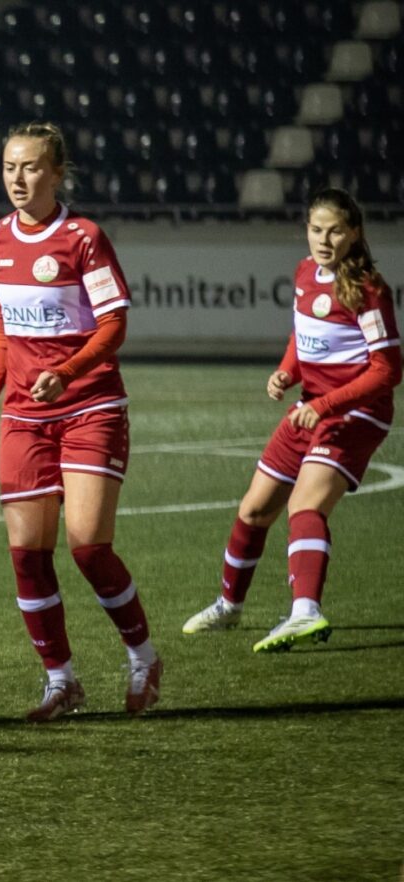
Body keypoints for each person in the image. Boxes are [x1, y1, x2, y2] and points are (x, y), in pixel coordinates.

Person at [0, 122, 161, 722]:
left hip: (91, 407)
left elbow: (114, 327)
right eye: (8, 168)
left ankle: (143, 656)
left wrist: (69, 371)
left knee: (88, 546)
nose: (17, 180)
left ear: (56, 173)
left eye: (29, 168)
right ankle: (61, 682)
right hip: (25, 415)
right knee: (27, 553)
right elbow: (7, 327)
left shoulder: (83, 238)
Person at [182, 188, 399, 651]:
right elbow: (302, 337)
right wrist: (287, 371)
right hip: (310, 408)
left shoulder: (369, 288)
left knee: (305, 505)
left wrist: (323, 405)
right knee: (254, 509)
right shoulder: (304, 272)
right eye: (317, 229)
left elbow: (387, 371)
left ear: (354, 233)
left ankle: (305, 612)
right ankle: (229, 606)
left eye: (335, 230)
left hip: (357, 414)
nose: (324, 239)